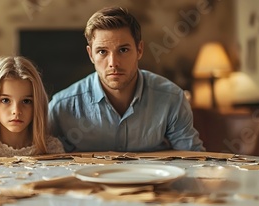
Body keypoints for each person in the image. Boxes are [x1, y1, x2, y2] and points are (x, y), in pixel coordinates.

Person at [48, 7, 205, 152]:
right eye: (102, 52)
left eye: (123, 50)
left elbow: (193, 160)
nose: (113, 63)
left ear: (139, 50)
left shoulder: (171, 98)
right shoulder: (62, 107)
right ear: (91, 55)